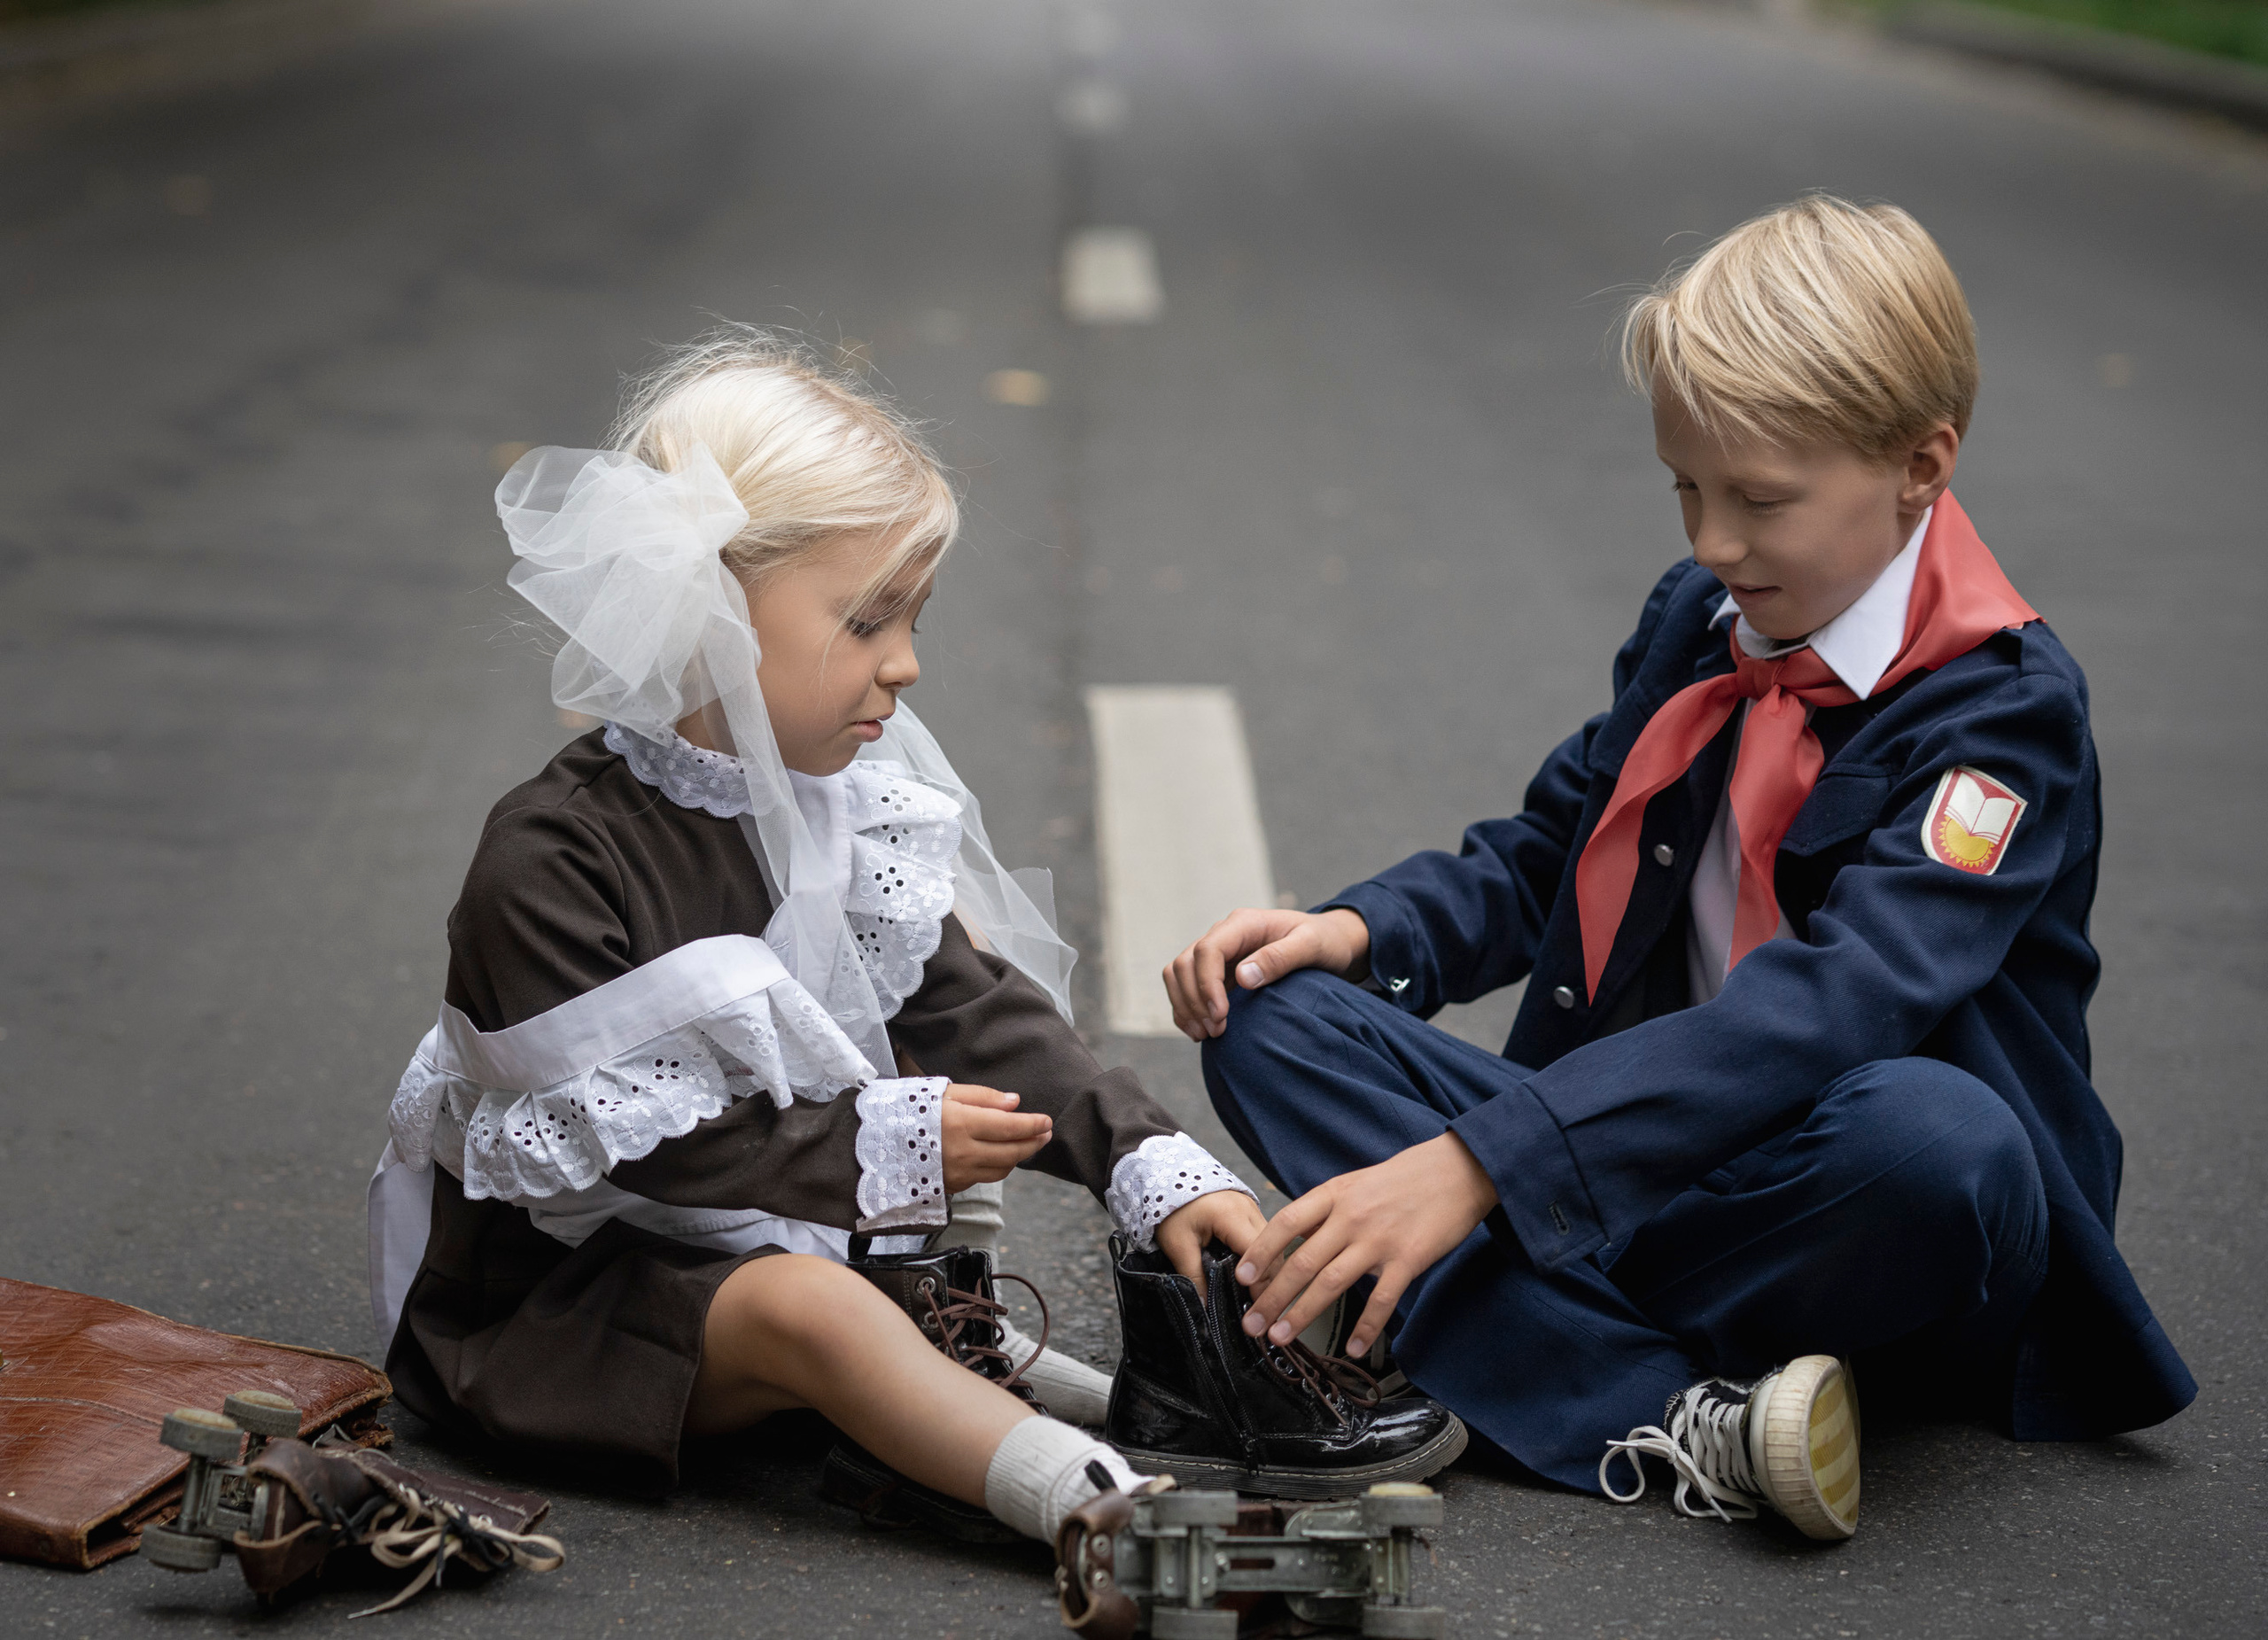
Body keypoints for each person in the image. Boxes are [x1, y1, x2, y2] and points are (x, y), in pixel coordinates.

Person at [1169, 197, 2195, 1541]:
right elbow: (1550, 856)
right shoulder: (1704, 616)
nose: (1713, 542)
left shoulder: (2003, 714)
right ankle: (1677, 1416)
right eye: (1687, 490)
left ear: (1920, 464)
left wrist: (1486, 1166)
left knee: (1945, 1136)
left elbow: (1843, 1004)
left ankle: (1492, 1326)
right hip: (1631, 1165)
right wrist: (1358, 932)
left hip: (1834, 1202)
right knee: (1267, 1008)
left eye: (1760, 501)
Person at [364, 328, 1278, 1549]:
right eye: (865, 621)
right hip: (560, 1305)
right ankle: (1096, 1509)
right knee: (822, 1304)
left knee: (932, 1158)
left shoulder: (842, 804)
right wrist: (877, 1141)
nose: (904, 665)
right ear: (711, 607)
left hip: (765, 1230)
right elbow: (635, 1156)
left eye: (913, 617)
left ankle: (1098, 1404)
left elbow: (969, 1004)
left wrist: (1144, 1164)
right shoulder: (550, 856)